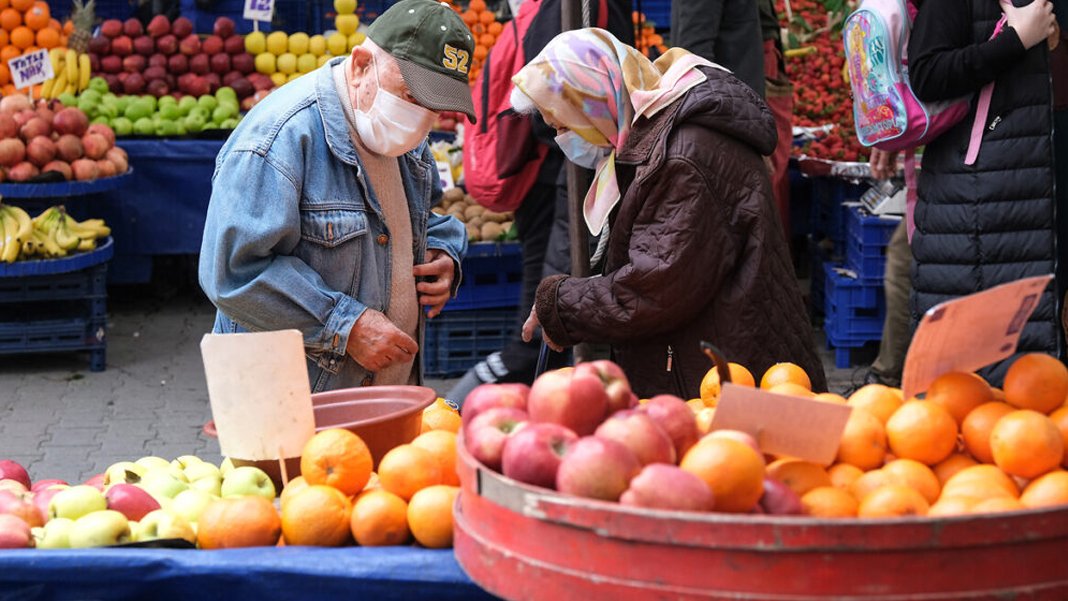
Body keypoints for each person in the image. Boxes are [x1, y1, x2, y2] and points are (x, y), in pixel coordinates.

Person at [511, 28, 827, 399]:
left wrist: (562, 305)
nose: (565, 139)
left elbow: (656, 288)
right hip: (713, 364)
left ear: (592, 101)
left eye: (564, 125)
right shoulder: (653, 134)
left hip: (727, 380)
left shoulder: (682, 156)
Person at [198, 0, 473, 393]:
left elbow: (419, 219)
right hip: (292, 407)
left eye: (436, 106)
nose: (423, 117)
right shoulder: (277, 140)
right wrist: (347, 325)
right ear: (362, 66)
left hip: (384, 399)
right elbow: (231, 272)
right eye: (412, 96)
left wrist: (443, 251)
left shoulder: (405, 139)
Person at [446, 0, 635, 402]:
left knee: (545, 315)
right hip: (556, 181)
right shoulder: (569, 9)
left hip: (561, 174)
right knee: (538, 321)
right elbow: (546, 95)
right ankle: (459, 403)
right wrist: (575, 133)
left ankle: (500, 402)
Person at [908, 0, 1062, 384]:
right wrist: (1016, 40)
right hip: (983, 202)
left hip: (1039, 192)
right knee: (976, 386)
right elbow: (927, 74)